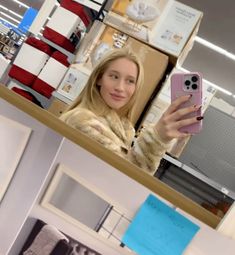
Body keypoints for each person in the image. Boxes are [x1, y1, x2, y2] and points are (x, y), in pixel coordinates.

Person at [60, 48, 202, 175]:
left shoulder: (124, 129)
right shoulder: (82, 120)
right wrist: (157, 138)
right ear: (98, 79)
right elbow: (121, 179)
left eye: (130, 81)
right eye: (114, 76)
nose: (120, 87)